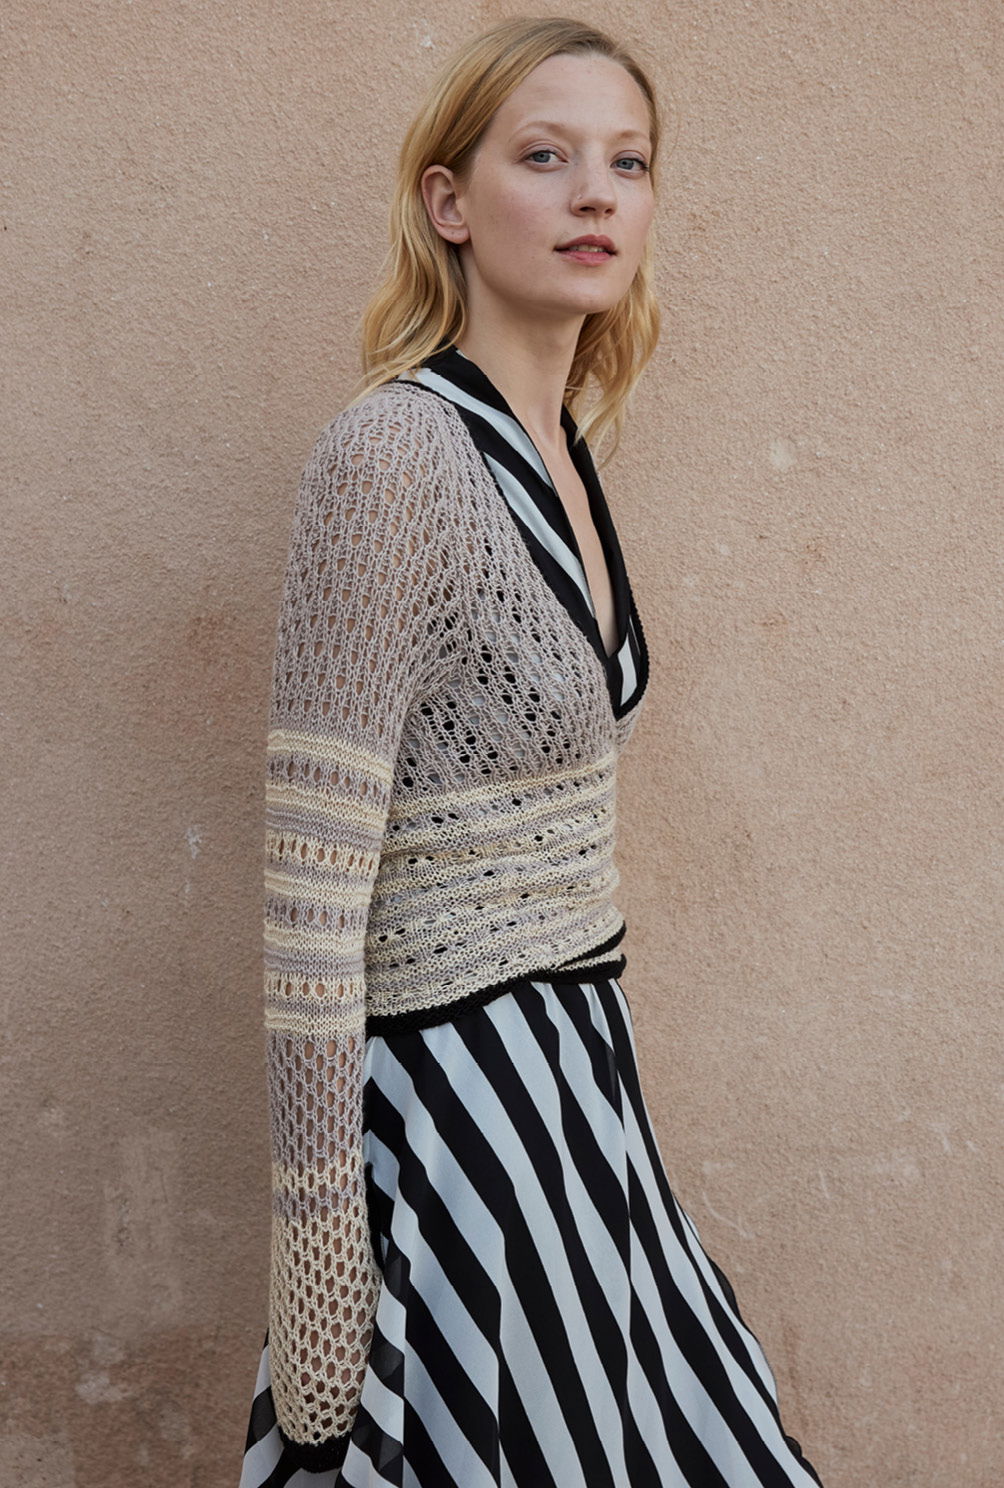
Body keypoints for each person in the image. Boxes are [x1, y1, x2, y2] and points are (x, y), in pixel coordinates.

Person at [239, 16, 823, 1487]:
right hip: (450, 1122)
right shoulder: (395, 457)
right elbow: (311, 893)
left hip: (579, 1088)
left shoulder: (565, 448)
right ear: (449, 202)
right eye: (546, 156)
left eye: (629, 163)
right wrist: (319, 1228)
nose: (595, 195)